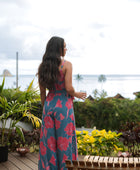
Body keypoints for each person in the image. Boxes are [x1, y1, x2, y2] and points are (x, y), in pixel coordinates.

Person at [38, 36, 86, 170]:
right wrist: (77, 94)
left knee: (49, 142)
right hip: (63, 107)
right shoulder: (66, 65)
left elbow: (42, 93)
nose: (66, 49)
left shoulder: (42, 67)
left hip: (49, 105)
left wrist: (45, 108)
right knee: (64, 141)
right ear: (58, 48)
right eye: (64, 46)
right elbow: (69, 88)